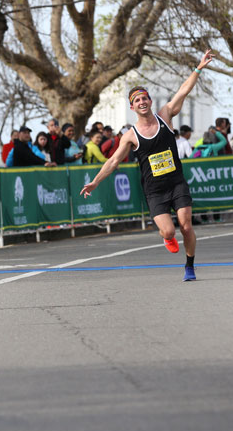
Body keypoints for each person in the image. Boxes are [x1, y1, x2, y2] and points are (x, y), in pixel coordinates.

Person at [81, 49, 215, 282]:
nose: (141, 102)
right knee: (170, 231)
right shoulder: (130, 136)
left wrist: (198, 69)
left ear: (150, 102)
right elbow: (113, 161)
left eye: (144, 98)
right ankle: (167, 236)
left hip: (176, 183)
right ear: (132, 107)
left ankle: (190, 266)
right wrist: (95, 181)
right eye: (136, 101)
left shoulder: (165, 116)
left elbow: (183, 90)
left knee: (186, 226)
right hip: (155, 191)